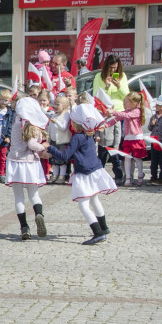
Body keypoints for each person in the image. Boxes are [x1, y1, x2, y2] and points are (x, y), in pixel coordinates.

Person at [44, 104, 117, 245]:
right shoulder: (90, 134)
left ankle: (98, 233)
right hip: (95, 170)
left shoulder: (77, 137)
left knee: (83, 204)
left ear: (76, 123)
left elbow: (65, 156)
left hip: (84, 174)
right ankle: (104, 227)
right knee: (94, 200)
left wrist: (50, 149)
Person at [6, 97, 50, 240]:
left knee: (18, 197)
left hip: (15, 161)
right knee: (34, 194)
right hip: (30, 163)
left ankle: (24, 226)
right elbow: (32, 145)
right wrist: (43, 147)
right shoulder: (32, 126)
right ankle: (39, 214)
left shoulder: (16, 125)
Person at [109, 92, 147, 187]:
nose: (125, 104)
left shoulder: (137, 111)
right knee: (127, 158)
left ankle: (140, 174)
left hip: (136, 137)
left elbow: (127, 116)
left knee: (137, 158)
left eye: (127, 102)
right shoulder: (126, 111)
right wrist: (105, 125)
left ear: (134, 103)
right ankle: (128, 178)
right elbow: (116, 119)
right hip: (127, 138)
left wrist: (113, 111)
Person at [47, 96, 72, 183]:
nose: (55, 106)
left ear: (64, 106)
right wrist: (48, 140)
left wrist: (56, 122)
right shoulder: (54, 115)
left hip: (62, 141)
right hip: (54, 141)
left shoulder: (66, 115)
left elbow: (63, 128)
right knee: (54, 160)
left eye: (58, 105)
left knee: (62, 161)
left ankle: (62, 176)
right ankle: (55, 175)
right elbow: (50, 129)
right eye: (55, 104)